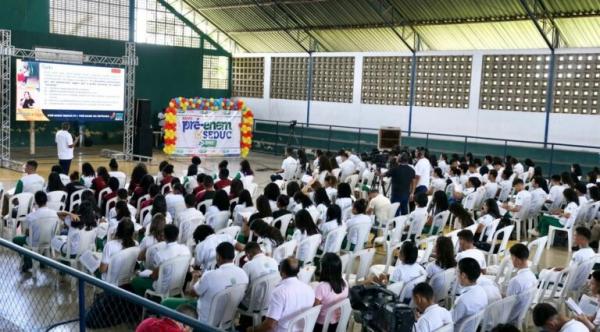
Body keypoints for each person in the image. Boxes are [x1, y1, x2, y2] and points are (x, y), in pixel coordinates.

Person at [248, 257, 315, 332]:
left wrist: (252, 329)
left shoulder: (280, 292)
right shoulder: (309, 289)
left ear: (282, 272)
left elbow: (269, 325)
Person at [132, 224, 191, 296]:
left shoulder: (160, 255)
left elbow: (154, 276)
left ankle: (141, 304)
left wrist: (143, 274)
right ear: (177, 236)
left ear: (164, 236)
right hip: (178, 286)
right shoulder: (185, 249)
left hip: (162, 289)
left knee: (135, 281)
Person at [12, 191, 58, 271]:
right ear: (46, 200)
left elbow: (27, 233)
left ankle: (28, 260)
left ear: (36, 202)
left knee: (15, 240)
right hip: (50, 240)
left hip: (34, 242)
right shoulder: (55, 214)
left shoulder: (31, 216)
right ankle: (42, 261)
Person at [238, 242, 279, 329]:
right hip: (269, 303)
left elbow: (242, 288)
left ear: (248, 255)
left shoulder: (248, 265)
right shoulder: (274, 261)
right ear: (260, 250)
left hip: (250, 306)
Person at [314, 253, 349, 332]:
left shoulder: (322, 287)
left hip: (321, 325)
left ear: (324, 269)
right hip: (337, 323)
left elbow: (315, 311)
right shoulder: (345, 283)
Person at [451, 258, 488, 331]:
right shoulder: (482, 291)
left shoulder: (463, 300)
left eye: (457, 271)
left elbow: (450, 320)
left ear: (463, 275)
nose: (455, 274)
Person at [506, 243, 537, 325]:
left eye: (512, 258)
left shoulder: (515, 281)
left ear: (517, 260)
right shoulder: (532, 276)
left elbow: (507, 304)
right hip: (521, 312)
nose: (511, 260)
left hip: (510, 317)